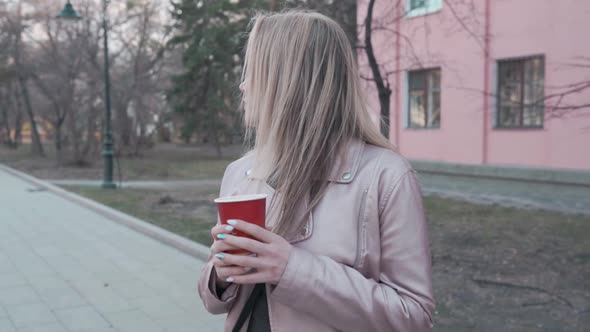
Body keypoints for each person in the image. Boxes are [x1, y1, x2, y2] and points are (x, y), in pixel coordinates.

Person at [198, 10, 435, 332]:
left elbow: (413, 316)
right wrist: (222, 272)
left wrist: (291, 269)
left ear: (289, 82)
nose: (243, 85)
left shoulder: (386, 177)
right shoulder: (241, 172)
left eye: (254, 71)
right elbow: (213, 303)